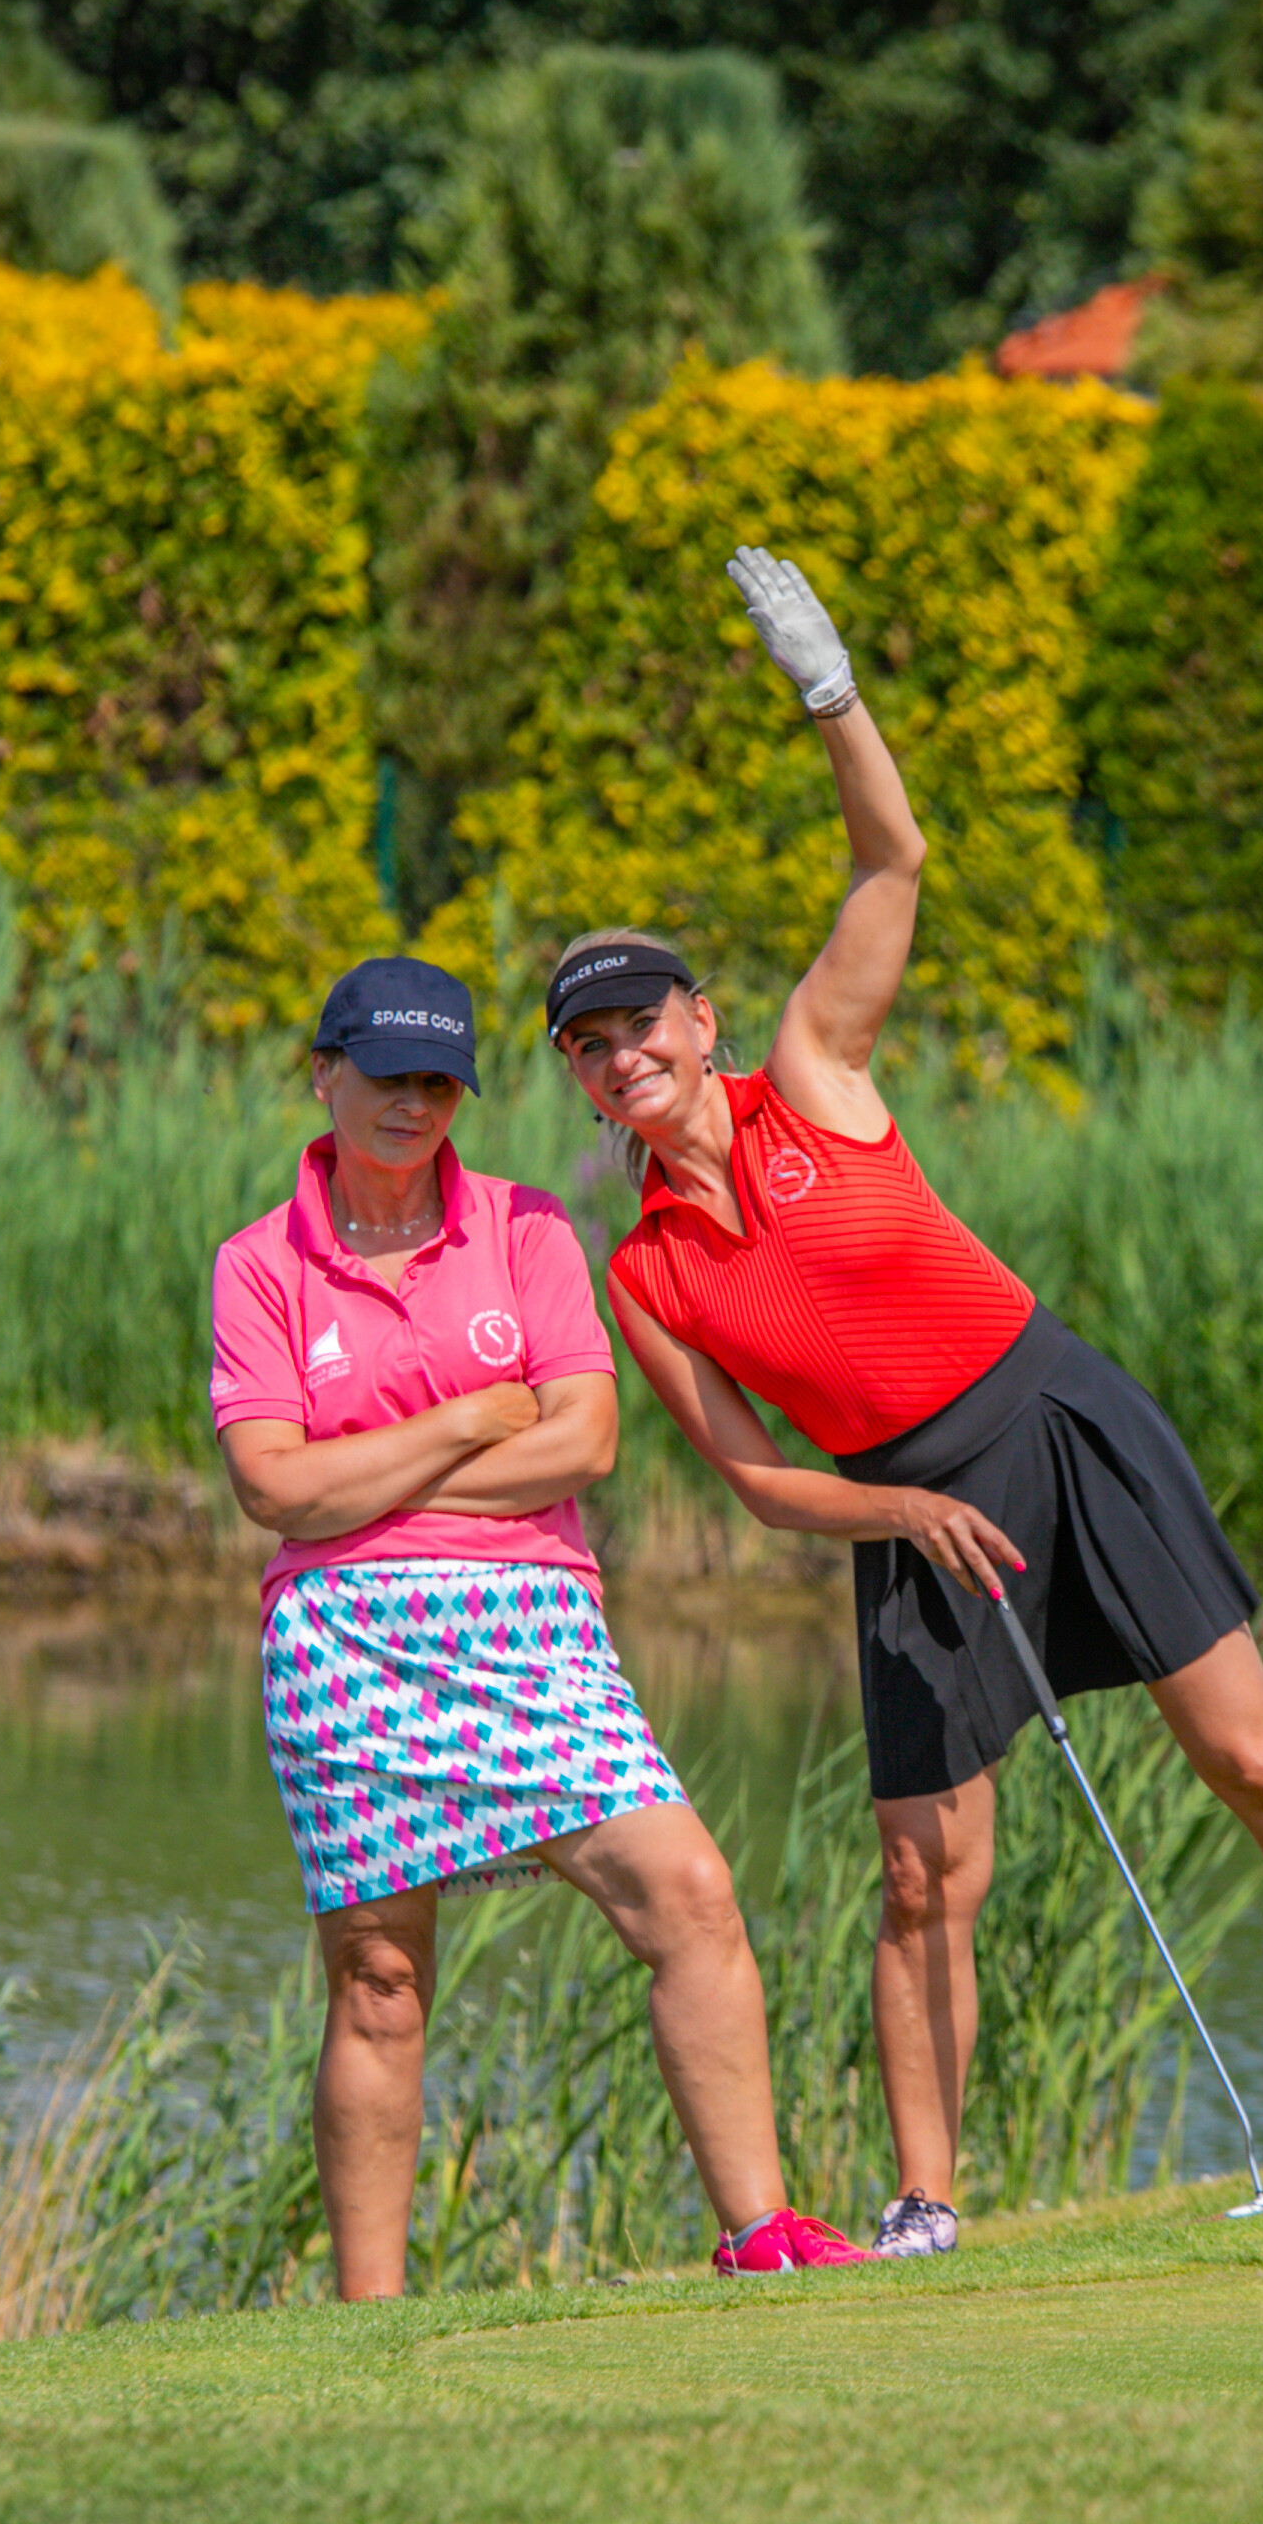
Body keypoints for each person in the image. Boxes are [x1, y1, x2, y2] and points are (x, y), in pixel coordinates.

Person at [547, 548, 1263, 2260]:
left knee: (1253, 1759)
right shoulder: (642, 1269)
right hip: (903, 1507)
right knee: (926, 1874)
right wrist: (898, 1510)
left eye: (644, 1022)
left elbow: (895, 861)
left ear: (702, 1023)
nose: (624, 1053)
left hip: (1057, 1426)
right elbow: (758, 1483)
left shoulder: (814, 1072)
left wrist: (831, 695)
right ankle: (927, 2201)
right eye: (588, 1043)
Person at [211, 954, 870, 2294]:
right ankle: (370, 2316)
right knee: (379, 1980)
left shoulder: (526, 1229)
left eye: (440, 1079)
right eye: (385, 1074)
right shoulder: (259, 1263)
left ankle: (759, 2235)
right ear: (325, 1074)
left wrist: (358, 1487)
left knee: (690, 1893)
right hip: (343, 1645)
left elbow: (584, 1444)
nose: (414, 1101)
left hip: (531, 1622)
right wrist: (465, 1419)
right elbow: (271, 1489)